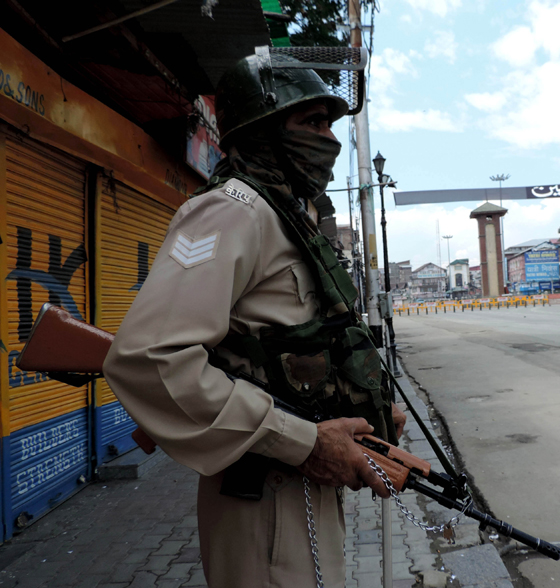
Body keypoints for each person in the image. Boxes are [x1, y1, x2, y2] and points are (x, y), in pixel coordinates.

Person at [103, 53, 406, 588]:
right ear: (263, 129)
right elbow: (150, 359)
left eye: (331, 125)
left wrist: (359, 405)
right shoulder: (233, 210)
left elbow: (281, 343)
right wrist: (304, 442)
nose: (329, 141)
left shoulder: (287, 216)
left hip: (300, 488)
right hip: (265, 497)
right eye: (311, 123)